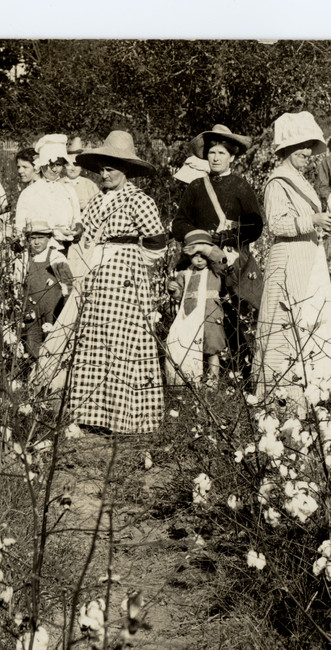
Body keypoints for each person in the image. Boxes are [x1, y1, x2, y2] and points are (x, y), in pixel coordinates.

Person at [68, 130, 168, 433]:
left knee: (122, 342)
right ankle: (93, 414)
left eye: (110, 168)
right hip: (96, 273)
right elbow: (86, 236)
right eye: (102, 167)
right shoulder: (97, 200)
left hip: (124, 276)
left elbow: (157, 242)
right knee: (94, 341)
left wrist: (132, 261)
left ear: (125, 169)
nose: (104, 173)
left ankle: (124, 417)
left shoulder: (140, 201)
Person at [254, 112, 331, 407]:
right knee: (285, 320)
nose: (307, 152)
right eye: (300, 146)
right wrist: (314, 219)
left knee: (310, 318)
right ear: (285, 149)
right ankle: (282, 394)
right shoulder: (277, 182)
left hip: (309, 255)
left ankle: (316, 387)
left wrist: (322, 223)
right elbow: (276, 225)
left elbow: (308, 219)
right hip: (289, 256)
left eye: (309, 146)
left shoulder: (300, 179)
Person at [170, 124, 265, 375]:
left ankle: (244, 370)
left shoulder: (241, 186)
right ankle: (199, 370)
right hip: (202, 259)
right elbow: (178, 223)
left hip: (234, 260)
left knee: (239, 310)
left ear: (232, 157)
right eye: (212, 152)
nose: (215, 157)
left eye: (222, 153)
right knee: (204, 311)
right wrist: (200, 239)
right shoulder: (196, 187)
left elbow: (256, 225)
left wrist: (230, 234)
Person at [164, 229, 227, 386]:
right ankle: (190, 379)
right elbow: (180, 294)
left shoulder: (215, 271)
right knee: (187, 343)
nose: (199, 260)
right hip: (189, 315)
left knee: (212, 346)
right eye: (194, 256)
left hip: (210, 314)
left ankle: (213, 382)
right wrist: (173, 289)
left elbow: (222, 260)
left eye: (203, 255)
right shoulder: (186, 273)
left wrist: (206, 249)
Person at [19, 220, 73, 359]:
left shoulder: (56, 257)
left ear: (49, 238)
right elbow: (19, 286)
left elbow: (68, 284)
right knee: (31, 347)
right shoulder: (24, 259)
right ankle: (34, 377)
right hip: (32, 313)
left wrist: (65, 312)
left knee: (53, 348)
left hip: (53, 312)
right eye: (33, 238)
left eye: (40, 238)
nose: (36, 242)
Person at [14, 136, 82, 241]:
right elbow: (20, 225)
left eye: (58, 164)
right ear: (41, 164)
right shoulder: (29, 193)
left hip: (66, 245)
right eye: (50, 165)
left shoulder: (68, 190)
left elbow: (76, 217)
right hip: (39, 246)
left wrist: (78, 226)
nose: (54, 169)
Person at [63, 136, 102, 211]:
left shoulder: (89, 185)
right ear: (64, 165)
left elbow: (98, 207)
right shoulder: (59, 184)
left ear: (81, 167)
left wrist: (88, 205)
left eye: (76, 165)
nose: (73, 168)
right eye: (69, 165)